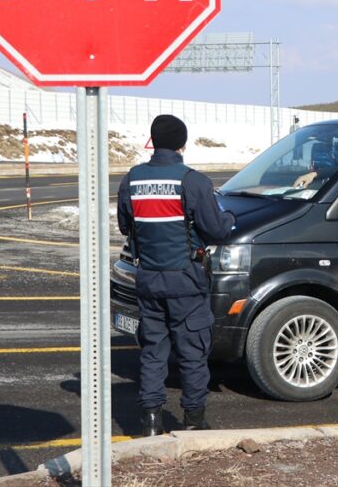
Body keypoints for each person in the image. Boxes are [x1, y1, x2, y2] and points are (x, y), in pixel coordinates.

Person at [117, 114, 235, 436]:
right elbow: (216, 229)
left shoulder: (132, 179)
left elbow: (126, 227)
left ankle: (151, 420)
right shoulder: (193, 181)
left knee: (153, 351)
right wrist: (229, 218)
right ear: (182, 143)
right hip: (186, 281)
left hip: (148, 279)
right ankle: (194, 419)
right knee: (192, 352)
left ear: (153, 141)